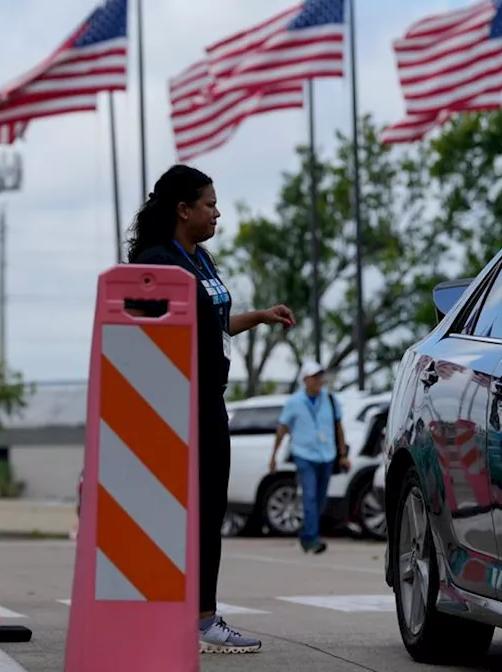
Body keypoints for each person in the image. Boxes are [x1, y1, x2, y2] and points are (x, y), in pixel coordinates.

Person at [124, 164, 295, 655]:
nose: (217, 212)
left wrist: (258, 317)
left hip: (209, 401)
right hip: (177, 405)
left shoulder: (200, 261)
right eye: (209, 204)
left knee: (208, 510)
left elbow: (212, 323)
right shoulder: (157, 264)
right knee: (180, 513)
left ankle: (199, 616)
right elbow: (146, 339)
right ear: (183, 210)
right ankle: (193, 620)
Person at [269, 361, 349, 555]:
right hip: (304, 455)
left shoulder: (330, 399)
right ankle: (313, 538)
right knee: (310, 496)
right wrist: (274, 456)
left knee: (320, 499)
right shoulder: (294, 402)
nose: (318, 380)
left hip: (327, 455)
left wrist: (343, 454)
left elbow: (338, 427)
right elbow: (282, 429)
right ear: (305, 380)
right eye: (314, 377)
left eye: (320, 376)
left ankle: (306, 535)